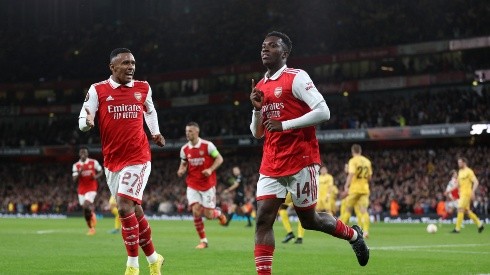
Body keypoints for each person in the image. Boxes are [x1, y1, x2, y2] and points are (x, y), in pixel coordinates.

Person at [250, 31, 369, 274]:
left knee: (309, 220)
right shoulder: (261, 85)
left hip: (301, 160)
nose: (265, 49)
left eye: (272, 46)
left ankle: (353, 235)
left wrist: (286, 124)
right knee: (263, 219)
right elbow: (257, 133)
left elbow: (323, 111)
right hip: (271, 162)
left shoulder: (296, 77)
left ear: (284, 53)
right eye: (264, 46)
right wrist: (256, 110)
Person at [78, 48, 165, 275]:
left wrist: (155, 133)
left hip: (138, 157)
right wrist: (87, 122)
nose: (131, 67)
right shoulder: (98, 90)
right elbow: (83, 118)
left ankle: (132, 267)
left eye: (133, 63)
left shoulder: (143, 87)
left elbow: (150, 111)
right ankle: (155, 259)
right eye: (125, 63)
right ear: (112, 67)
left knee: (123, 205)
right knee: (134, 211)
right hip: (112, 162)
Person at [177, 121, 228, 249]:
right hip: (192, 184)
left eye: (190, 131)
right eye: (186, 131)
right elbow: (184, 162)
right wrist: (181, 170)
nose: (187, 134)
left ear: (197, 132)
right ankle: (203, 241)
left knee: (209, 215)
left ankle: (219, 214)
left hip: (207, 185)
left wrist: (210, 169)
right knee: (196, 211)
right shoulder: (184, 149)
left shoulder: (208, 146)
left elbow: (219, 159)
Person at [340, 144, 373, 238]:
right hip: (365, 189)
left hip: (354, 189)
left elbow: (351, 174)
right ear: (360, 151)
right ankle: (366, 231)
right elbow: (370, 177)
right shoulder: (367, 161)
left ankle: (341, 231)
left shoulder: (353, 161)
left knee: (347, 209)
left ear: (352, 151)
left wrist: (346, 186)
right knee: (364, 210)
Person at [72, 146, 103, 236]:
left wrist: (96, 177)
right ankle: (91, 224)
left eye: (84, 153)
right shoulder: (76, 165)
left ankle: (92, 228)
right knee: (85, 210)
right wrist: (79, 172)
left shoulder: (93, 162)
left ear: (87, 154)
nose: (83, 154)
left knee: (86, 205)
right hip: (81, 190)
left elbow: (101, 171)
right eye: (81, 153)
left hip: (92, 188)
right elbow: (74, 179)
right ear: (79, 154)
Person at [451, 157, 484, 233]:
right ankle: (480, 224)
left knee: (460, 208)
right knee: (467, 212)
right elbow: (458, 184)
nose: (458, 164)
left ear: (464, 163)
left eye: (460, 162)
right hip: (462, 194)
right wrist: (449, 191)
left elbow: (476, 182)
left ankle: (457, 229)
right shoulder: (460, 172)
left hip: (467, 193)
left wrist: (473, 191)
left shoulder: (469, 171)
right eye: (458, 162)